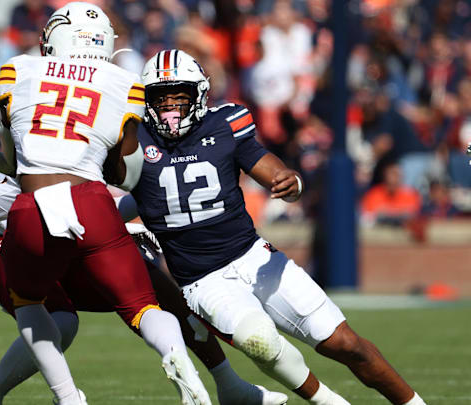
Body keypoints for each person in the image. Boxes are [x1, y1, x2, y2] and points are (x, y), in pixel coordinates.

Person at [128, 49, 426, 405]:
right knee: (260, 340)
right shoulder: (132, 140)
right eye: (162, 97)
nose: (171, 106)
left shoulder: (224, 124)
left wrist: (290, 182)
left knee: (346, 344)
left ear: (200, 94)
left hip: (253, 257)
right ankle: (329, 402)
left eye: (180, 95)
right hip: (201, 280)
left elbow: (271, 168)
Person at [0, 4, 210, 405]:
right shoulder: (124, 82)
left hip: (34, 206)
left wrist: (3, 163)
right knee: (143, 307)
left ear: (53, 40)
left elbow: (20, 159)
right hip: (89, 202)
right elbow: (120, 169)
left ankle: (69, 398)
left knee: (30, 307)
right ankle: (184, 367)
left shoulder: (18, 71)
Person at [0, 176, 288, 405]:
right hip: (24, 246)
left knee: (156, 287)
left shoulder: (112, 132)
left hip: (80, 244)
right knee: (63, 321)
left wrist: (128, 216)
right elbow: (2, 207)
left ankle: (227, 382)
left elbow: (115, 200)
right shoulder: (48, 134)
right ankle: (41, 396)